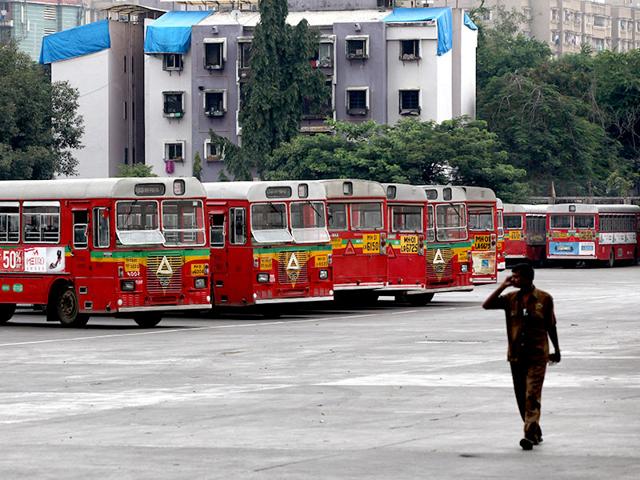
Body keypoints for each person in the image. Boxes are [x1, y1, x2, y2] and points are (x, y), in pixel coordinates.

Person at [482, 263, 561, 450]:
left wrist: (557, 350)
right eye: (513, 276)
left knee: (532, 395)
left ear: (528, 278)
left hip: (537, 356)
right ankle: (535, 430)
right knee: (520, 397)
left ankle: (528, 436)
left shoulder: (544, 298)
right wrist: (502, 286)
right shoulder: (510, 298)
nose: (514, 280)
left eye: (517, 277)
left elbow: (551, 325)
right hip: (516, 356)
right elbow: (487, 305)